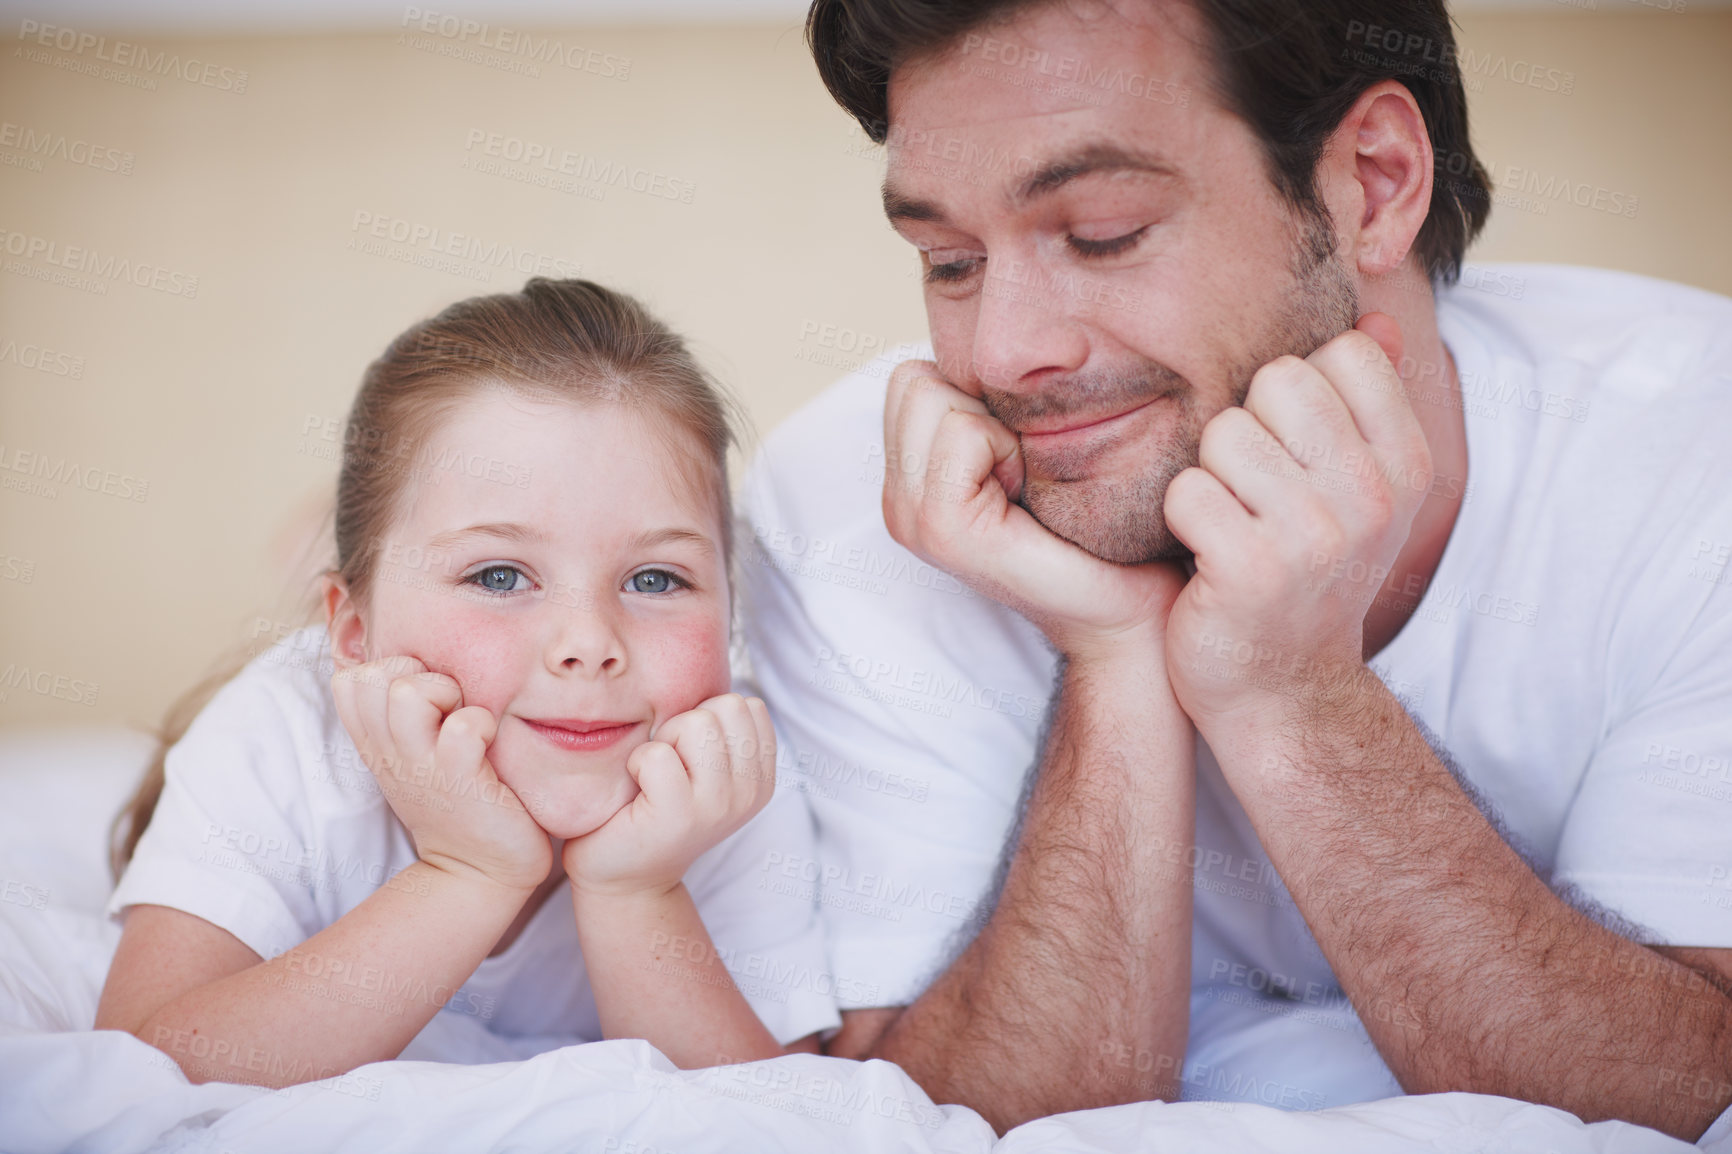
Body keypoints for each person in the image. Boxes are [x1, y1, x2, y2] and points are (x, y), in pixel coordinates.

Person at [738, 0, 1732, 1138]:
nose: (1003, 351)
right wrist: (1112, 651)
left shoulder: (1700, 452)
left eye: (1103, 232)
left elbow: (1692, 1093)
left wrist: (1292, 690)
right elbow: (913, 1115)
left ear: (1373, 180)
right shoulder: (852, 502)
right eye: (949, 261)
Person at [95, 278, 839, 1086]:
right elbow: (140, 1069)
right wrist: (468, 872)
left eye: (656, 579)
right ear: (352, 632)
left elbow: (777, 1106)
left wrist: (638, 890)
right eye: (498, 575)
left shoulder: (724, 787)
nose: (588, 646)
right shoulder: (280, 737)